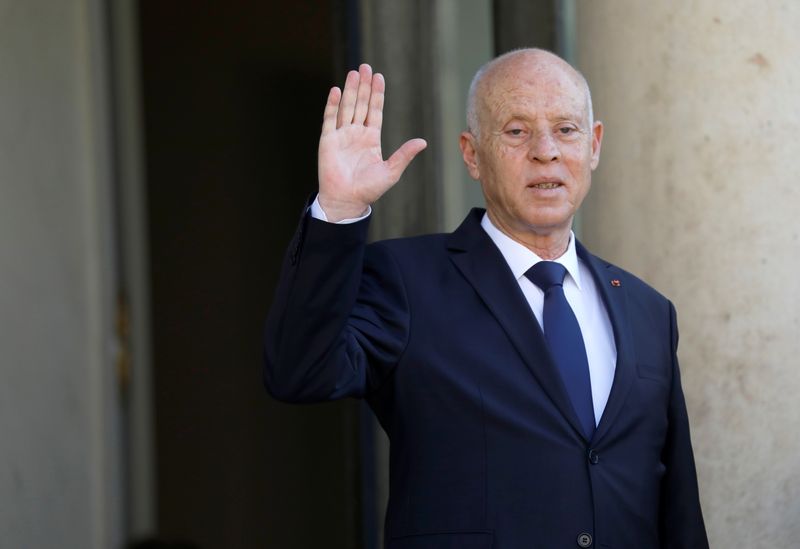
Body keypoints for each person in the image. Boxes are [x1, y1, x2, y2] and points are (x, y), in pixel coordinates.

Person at [264, 49, 708, 548]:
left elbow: (678, 510)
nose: (546, 151)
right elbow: (299, 372)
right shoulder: (407, 282)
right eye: (517, 131)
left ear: (595, 145)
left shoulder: (648, 310)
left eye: (566, 129)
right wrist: (339, 209)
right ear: (472, 154)